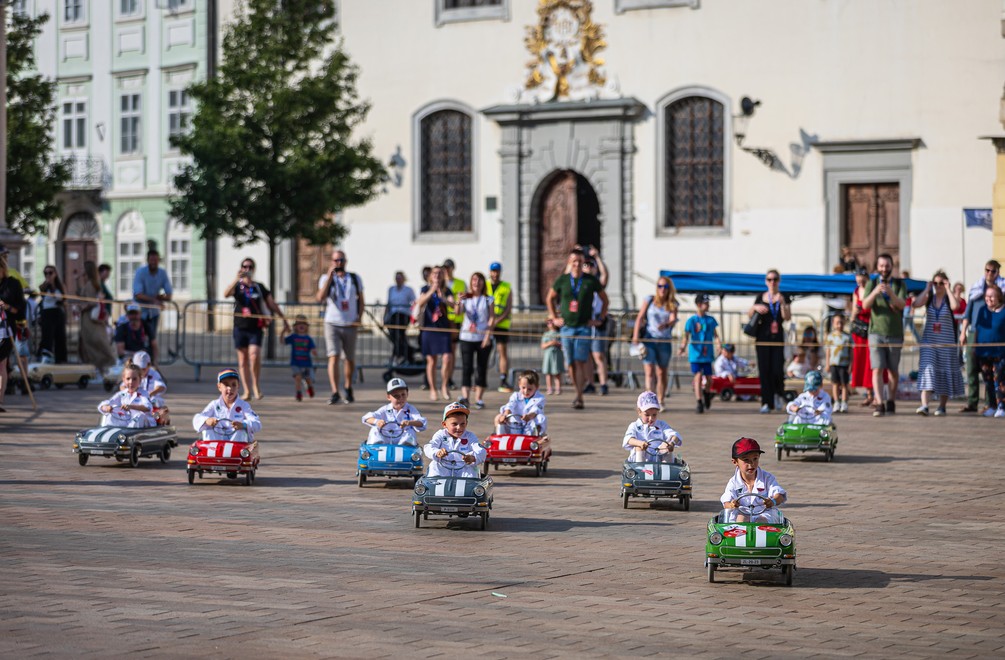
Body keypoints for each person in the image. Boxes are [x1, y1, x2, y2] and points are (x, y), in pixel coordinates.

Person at [546, 248, 608, 410]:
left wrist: (599, 319)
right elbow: (550, 298)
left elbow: (604, 299)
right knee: (571, 363)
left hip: (583, 328)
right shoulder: (563, 280)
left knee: (581, 361)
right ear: (569, 262)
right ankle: (577, 391)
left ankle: (579, 395)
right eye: (574, 261)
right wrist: (554, 317)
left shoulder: (590, 280)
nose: (577, 264)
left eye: (580, 261)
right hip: (566, 327)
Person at [226, 257, 289, 401]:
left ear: (254, 269)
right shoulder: (238, 286)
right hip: (240, 326)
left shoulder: (259, 287)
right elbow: (226, 293)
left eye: (250, 267)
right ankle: (247, 390)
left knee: (254, 356)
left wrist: (283, 318)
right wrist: (236, 279)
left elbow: (271, 303)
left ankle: (256, 386)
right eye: (244, 266)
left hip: (255, 327)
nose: (247, 269)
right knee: (242, 360)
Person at [316, 250, 363, 405]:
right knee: (333, 356)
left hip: (350, 323)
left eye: (341, 260)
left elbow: (361, 300)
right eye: (336, 260)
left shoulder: (354, 278)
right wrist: (329, 277)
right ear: (332, 262)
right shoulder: (326, 278)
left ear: (345, 261)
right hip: (332, 322)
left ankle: (348, 387)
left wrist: (359, 318)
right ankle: (335, 391)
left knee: (349, 358)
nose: (339, 263)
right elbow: (320, 297)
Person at [913, 270, 963, 416]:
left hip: (946, 343)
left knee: (945, 372)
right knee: (927, 369)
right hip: (929, 342)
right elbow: (915, 304)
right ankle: (925, 405)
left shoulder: (949, 298)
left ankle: (942, 406)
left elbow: (956, 307)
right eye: (936, 283)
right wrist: (927, 289)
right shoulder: (929, 298)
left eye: (941, 283)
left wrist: (948, 289)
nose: (938, 286)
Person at [862, 254, 907, 417]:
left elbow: (902, 304)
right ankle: (879, 403)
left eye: (887, 266)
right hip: (876, 333)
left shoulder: (899, 284)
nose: (884, 269)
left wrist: (891, 293)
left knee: (893, 370)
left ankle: (891, 400)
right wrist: (875, 292)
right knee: (877, 368)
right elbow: (865, 305)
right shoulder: (872, 283)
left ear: (891, 266)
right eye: (881, 266)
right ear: (877, 267)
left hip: (894, 333)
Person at [959, 260, 1005, 413]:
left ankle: (991, 403)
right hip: (975, 331)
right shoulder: (977, 288)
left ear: (998, 272)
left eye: (993, 271)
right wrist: (963, 332)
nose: (990, 273)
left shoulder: (1001, 289)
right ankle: (972, 402)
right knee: (972, 367)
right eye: (987, 270)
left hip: (995, 334)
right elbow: (968, 313)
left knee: (995, 373)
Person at [748, 269, 791, 413]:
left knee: (777, 370)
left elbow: (787, 317)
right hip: (762, 338)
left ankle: (778, 394)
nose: (772, 282)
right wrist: (755, 307)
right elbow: (750, 315)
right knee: (764, 370)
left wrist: (783, 303)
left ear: (779, 281)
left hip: (777, 338)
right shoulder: (760, 296)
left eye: (775, 279)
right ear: (766, 281)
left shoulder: (783, 296)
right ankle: (766, 402)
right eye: (769, 279)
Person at [632, 276, 678, 405]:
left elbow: (673, 318)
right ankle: (649, 401)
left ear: (669, 289)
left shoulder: (672, 303)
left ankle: (661, 399)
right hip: (649, 339)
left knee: (662, 372)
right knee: (649, 371)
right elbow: (640, 317)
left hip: (664, 341)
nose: (662, 289)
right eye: (660, 286)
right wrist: (635, 336)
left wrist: (668, 324)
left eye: (665, 286)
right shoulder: (650, 300)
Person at [720, 437, 787, 523]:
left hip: (765, 513)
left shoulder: (767, 478)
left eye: (755, 459)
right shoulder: (733, 482)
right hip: (742, 513)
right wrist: (732, 505)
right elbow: (726, 502)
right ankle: (741, 536)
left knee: (761, 521)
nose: (751, 464)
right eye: (746, 460)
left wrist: (772, 501)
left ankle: (763, 536)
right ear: (735, 462)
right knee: (741, 519)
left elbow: (779, 495)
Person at [455, 271, 495, 409]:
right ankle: (465, 397)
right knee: (467, 367)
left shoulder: (488, 299)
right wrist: (458, 301)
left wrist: (488, 336)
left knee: (481, 367)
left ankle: (479, 398)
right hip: (467, 337)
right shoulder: (466, 297)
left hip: (482, 336)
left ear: (483, 283)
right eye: (474, 280)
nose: (476, 283)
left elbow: (491, 318)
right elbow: (457, 313)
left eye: (479, 280)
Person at [193, 369, 262, 442]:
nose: (230, 388)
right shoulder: (214, 404)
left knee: (241, 432)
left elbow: (257, 423)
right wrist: (207, 420)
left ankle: (235, 453)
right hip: (218, 442)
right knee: (208, 430)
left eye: (233, 385)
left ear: (238, 386)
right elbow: (197, 419)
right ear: (219, 387)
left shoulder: (244, 405)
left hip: (238, 445)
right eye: (226, 385)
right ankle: (211, 452)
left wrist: (243, 425)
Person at [417, 266, 455, 401]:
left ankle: (444, 385)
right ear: (430, 276)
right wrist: (432, 290)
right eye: (435, 273)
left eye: (440, 273)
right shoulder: (425, 289)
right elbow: (420, 303)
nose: (437, 276)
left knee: (447, 358)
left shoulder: (446, 290)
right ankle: (433, 389)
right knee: (431, 360)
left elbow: (453, 304)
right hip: (429, 328)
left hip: (443, 328)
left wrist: (443, 298)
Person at [678, 293, 720, 414]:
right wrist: (682, 347)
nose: (708, 305)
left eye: (708, 303)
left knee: (709, 379)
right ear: (699, 304)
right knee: (697, 377)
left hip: (707, 354)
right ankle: (699, 401)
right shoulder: (691, 321)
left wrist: (718, 345)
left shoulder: (711, 320)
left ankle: (707, 393)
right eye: (706, 303)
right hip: (695, 354)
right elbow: (686, 336)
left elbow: (716, 335)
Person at [423, 401, 485, 478]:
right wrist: (437, 452)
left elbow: (481, 451)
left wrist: (472, 457)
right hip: (444, 466)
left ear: (466, 423)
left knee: (471, 471)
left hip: (463, 467)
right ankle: (435, 486)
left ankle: (469, 488)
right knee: (434, 465)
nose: (459, 427)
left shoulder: (470, 436)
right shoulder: (440, 435)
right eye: (454, 424)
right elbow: (429, 447)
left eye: (462, 424)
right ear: (444, 424)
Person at [131, 247, 173, 364]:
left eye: (156, 260)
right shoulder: (141, 272)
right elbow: (138, 294)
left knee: (152, 339)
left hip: (153, 313)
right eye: (151, 260)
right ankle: (138, 361)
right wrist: (155, 300)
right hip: (140, 312)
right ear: (148, 260)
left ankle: (151, 362)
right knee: (140, 338)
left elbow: (169, 294)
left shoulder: (162, 273)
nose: (154, 262)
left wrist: (159, 298)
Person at [0, 244, 27, 413]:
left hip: (5, 329)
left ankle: (0, 399)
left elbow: (20, 308)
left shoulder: (12, 284)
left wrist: (6, 307)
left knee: (1, 364)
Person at [77, 261, 117, 373]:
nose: (81, 270)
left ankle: (104, 367)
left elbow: (92, 302)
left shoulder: (92, 284)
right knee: (93, 344)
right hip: (90, 319)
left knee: (95, 344)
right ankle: (101, 368)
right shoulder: (92, 283)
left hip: (90, 319)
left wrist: (82, 308)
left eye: (83, 268)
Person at [362, 377, 427, 445]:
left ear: (407, 394)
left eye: (403, 395)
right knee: (374, 429)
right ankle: (376, 446)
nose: (401, 398)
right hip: (385, 438)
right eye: (396, 396)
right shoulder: (385, 409)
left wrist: (410, 422)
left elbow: (422, 422)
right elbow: (366, 418)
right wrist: (377, 421)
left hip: (403, 439)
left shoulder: (411, 409)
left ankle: (407, 446)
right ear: (388, 397)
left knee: (410, 431)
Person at [622, 391, 682, 462]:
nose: (651, 418)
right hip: (641, 457)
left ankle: (667, 469)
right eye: (647, 415)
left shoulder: (662, 424)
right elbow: (628, 439)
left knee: (666, 447)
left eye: (654, 415)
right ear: (639, 412)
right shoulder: (634, 425)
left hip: (659, 456)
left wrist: (671, 443)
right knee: (639, 447)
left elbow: (674, 435)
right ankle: (641, 469)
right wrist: (640, 443)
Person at [851, 267, 881, 407]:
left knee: (872, 363)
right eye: (858, 278)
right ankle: (868, 394)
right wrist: (854, 314)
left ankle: (876, 395)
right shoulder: (856, 292)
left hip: (872, 330)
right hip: (859, 333)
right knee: (862, 363)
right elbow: (852, 313)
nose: (860, 281)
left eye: (863, 279)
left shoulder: (872, 290)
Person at [582, 248, 610, 396]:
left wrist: (597, 257)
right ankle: (590, 383)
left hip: (597, 322)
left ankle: (604, 383)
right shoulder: (579, 284)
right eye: (585, 265)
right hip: (586, 323)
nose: (588, 267)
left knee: (598, 355)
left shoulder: (597, 283)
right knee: (587, 356)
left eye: (590, 265)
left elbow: (605, 274)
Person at [98, 364, 155, 428]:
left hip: (141, 425)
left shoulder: (144, 393)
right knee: (110, 415)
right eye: (128, 379)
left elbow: (148, 407)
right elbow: (105, 404)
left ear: (140, 380)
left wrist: (131, 406)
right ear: (124, 380)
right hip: (127, 422)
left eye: (134, 379)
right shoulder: (122, 394)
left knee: (139, 416)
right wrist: (107, 408)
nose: (131, 382)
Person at [486, 262, 514, 392]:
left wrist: (496, 321)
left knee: (502, 351)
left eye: (497, 271)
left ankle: (503, 378)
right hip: (486, 323)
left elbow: (508, 308)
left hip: (501, 323)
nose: (495, 274)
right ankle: (481, 379)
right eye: (493, 271)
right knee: (484, 351)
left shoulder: (506, 287)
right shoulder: (485, 285)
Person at [494, 370, 547, 434]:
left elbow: (536, 410)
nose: (526, 391)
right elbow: (510, 405)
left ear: (537, 387)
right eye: (523, 388)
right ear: (519, 385)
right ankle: (500, 436)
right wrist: (505, 415)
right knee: (499, 417)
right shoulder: (516, 395)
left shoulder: (540, 398)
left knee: (541, 418)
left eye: (529, 389)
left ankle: (536, 435)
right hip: (515, 424)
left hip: (529, 425)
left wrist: (529, 416)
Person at [282, 314, 317, 402]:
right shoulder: (293, 337)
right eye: (299, 324)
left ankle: (310, 387)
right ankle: (298, 393)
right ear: (295, 326)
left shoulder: (308, 338)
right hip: (295, 362)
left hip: (306, 363)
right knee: (298, 377)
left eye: (303, 324)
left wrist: (314, 351)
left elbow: (313, 348)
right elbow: (283, 341)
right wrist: (283, 332)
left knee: (307, 379)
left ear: (307, 326)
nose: (301, 326)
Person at [442, 258, 466, 387]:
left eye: (449, 267)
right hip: (443, 319)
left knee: (451, 351)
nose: (447, 270)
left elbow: (464, 300)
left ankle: (449, 378)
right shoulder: (440, 283)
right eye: (445, 268)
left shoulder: (460, 283)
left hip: (455, 320)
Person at [37, 265, 68, 363]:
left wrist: (53, 286)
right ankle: (45, 357)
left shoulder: (59, 285)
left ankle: (61, 359)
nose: (48, 275)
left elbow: (62, 298)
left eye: (50, 273)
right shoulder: (44, 286)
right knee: (47, 336)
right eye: (46, 273)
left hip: (57, 311)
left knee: (60, 336)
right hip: (47, 312)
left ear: (55, 274)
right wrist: (48, 284)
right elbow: (42, 293)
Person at [385, 271, 415, 365]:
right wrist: (385, 317)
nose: (398, 280)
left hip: (403, 314)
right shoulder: (391, 289)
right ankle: (406, 352)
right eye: (397, 278)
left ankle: (398, 355)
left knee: (400, 335)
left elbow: (414, 302)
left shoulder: (408, 290)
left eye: (400, 278)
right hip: (393, 315)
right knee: (395, 336)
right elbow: (388, 303)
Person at [824, 315, 852, 413]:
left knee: (844, 384)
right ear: (833, 323)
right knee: (835, 383)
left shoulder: (847, 337)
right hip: (834, 363)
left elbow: (851, 351)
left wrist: (851, 364)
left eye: (841, 323)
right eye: (837, 323)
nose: (839, 325)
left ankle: (844, 402)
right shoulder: (830, 336)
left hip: (844, 363)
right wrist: (827, 364)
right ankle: (836, 401)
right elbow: (828, 351)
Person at [540, 318, 564, 395]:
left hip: (557, 355)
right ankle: (549, 388)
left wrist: (557, 344)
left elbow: (563, 345)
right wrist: (550, 343)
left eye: (552, 322)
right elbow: (543, 345)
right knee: (548, 372)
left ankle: (558, 388)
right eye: (548, 322)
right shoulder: (546, 334)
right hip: (548, 356)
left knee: (557, 373)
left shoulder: (560, 333)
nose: (550, 324)